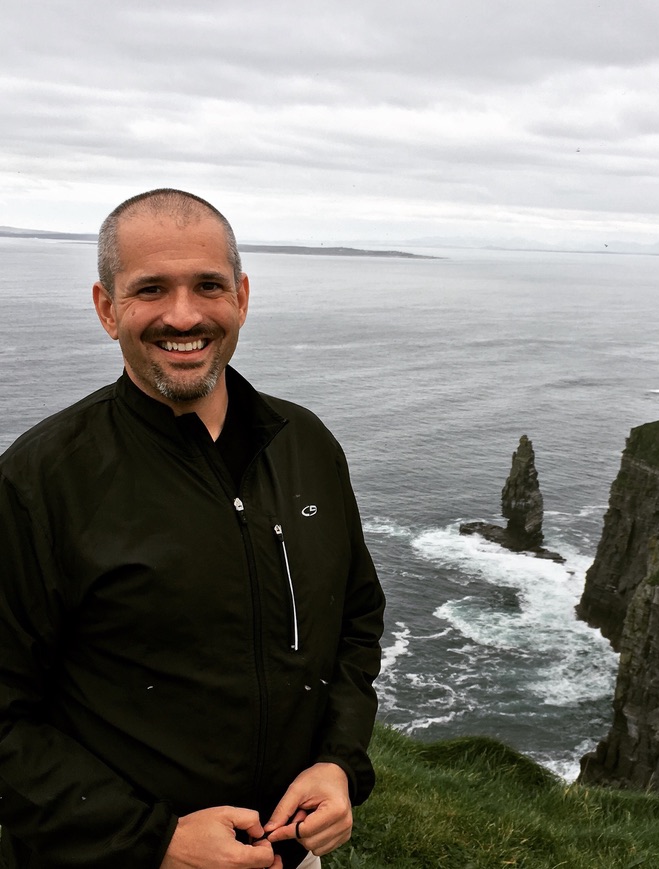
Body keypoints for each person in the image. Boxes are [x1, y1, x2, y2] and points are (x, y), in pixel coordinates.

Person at [0, 189, 385, 869]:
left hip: (289, 854)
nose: (184, 314)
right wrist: (155, 840)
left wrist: (338, 764)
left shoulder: (307, 445)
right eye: (151, 288)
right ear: (106, 307)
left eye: (208, 285)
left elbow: (355, 618)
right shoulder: (38, 481)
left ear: (240, 295)